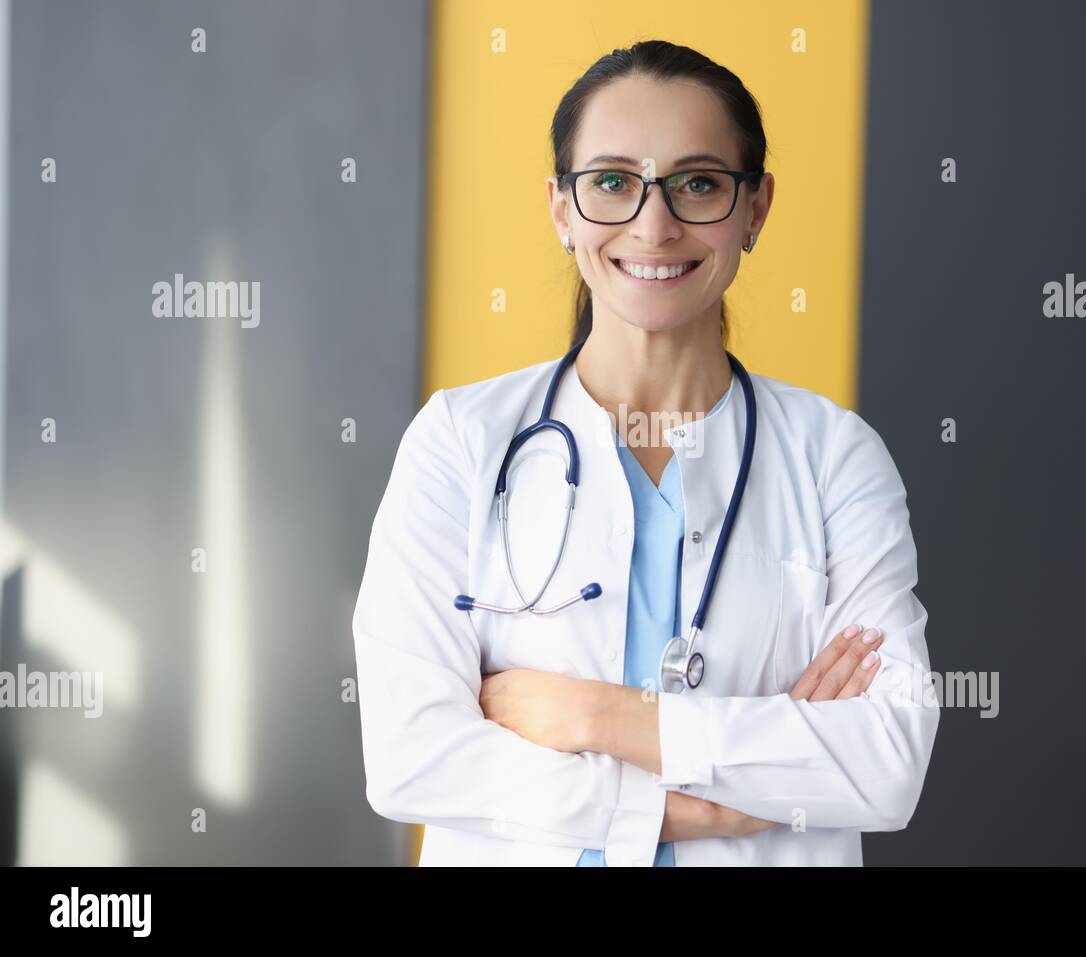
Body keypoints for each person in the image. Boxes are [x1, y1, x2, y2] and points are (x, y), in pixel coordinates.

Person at [352, 39, 939, 867]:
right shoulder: (460, 442)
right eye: (613, 182)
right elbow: (412, 756)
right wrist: (698, 805)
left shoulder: (836, 458)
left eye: (698, 183)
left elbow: (887, 760)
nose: (653, 224)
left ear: (756, 208)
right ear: (562, 209)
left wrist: (597, 716)